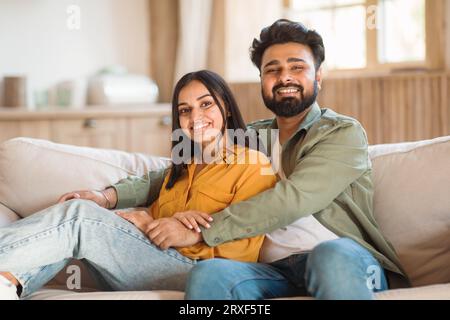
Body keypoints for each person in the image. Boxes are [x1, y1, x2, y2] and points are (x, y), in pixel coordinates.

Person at [98, 19, 409, 300]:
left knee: (329, 256)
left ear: (318, 76)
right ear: (262, 80)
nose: (284, 76)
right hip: (272, 271)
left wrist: (201, 231)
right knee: (209, 274)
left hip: (342, 258)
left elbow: (293, 199)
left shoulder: (342, 133)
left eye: (297, 67)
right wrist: (109, 196)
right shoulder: (250, 137)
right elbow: (172, 173)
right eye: (272, 70)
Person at [0, 70, 276, 300]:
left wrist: (154, 227)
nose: (195, 117)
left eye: (206, 104)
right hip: (148, 258)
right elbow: (153, 217)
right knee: (59, 241)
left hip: (196, 274)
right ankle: (8, 284)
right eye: (185, 110)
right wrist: (142, 220)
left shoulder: (252, 165)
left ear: (226, 107)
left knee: (78, 216)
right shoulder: (180, 169)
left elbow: (240, 253)